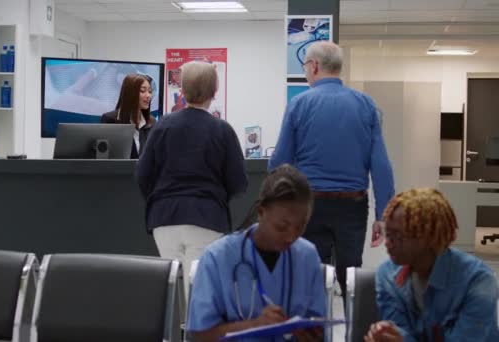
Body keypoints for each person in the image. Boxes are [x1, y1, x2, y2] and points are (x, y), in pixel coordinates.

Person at [269, 41, 395, 302]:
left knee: (309, 277)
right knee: (350, 279)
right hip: (352, 206)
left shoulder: (299, 104)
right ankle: (355, 331)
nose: (305, 71)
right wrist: (383, 215)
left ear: (314, 66)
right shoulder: (366, 105)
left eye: (305, 65)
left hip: (309, 206)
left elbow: (279, 164)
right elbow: (381, 165)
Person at [136, 61, 248, 295]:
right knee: (198, 288)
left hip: (164, 217)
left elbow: (143, 174)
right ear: (214, 92)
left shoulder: (163, 126)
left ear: (183, 91)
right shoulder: (222, 130)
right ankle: (194, 330)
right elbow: (238, 182)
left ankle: (172, 328)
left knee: (171, 287)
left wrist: (158, 197)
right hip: (207, 218)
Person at [187, 164, 326, 342]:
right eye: (281, 227)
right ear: (261, 212)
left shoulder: (307, 256)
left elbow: (319, 330)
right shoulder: (218, 258)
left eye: (301, 226)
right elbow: (200, 335)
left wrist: (310, 336)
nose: (291, 236)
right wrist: (255, 325)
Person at [365, 188, 499, 342]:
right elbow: (399, 329)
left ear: (427, 237)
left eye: (398, 236)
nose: (388, 243)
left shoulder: (478, 281)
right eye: (387, 234)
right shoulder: (387, 274)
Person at [101, 73, 155, 159]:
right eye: (142, 91)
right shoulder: (110, 120)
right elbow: (104, 156)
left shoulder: (151, 122)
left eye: (150, 91)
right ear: (130, 93)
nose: (148, 95)